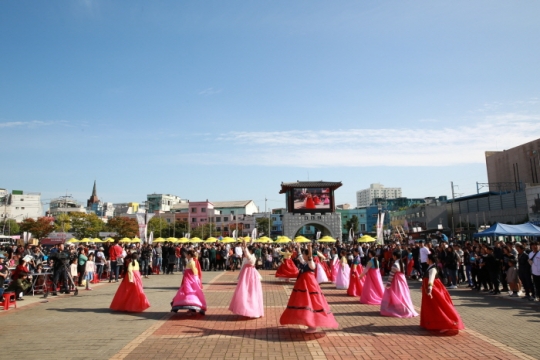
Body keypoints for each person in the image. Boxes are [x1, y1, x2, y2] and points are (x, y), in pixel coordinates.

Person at [280, 243, 339, 333]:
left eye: (304, 254)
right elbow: (299, 256)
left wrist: (309, 248)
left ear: (307, 255)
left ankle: (313, 325)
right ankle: (309, 323)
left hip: (310, 286)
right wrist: (299, 248)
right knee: (305, 303)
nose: (302, 255)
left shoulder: (312, 264)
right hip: (303, 286)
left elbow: (310, 257)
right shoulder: (304, 262)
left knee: (312, 303)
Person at [420, 253, 464, 333]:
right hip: (431, 289)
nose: (426, 260)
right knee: (433, 307)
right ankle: (434, 323)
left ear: (430, 260)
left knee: (440, 307)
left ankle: (447, 324)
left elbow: (431, 279)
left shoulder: (433, 269)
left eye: (427, 258)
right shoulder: (430, 267)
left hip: (435, 290)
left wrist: (429, 289)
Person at [229, 243, 264, 318]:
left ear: (250, 251)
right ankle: (249, 309)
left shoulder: (251, 257)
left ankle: (251, 310)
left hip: (249, 275)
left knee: (248, 291)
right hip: (248, 274)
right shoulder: (250, 257)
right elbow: (246, 255)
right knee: (249, 291)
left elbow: (247, 254)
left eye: (248, 250)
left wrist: (245, 247)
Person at [380, 250, 418, 318]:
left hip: (396, 283)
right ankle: (404, 308)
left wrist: (388, 284)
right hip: (402, 281)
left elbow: (391, 275)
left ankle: (399, 309)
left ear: (395, 256)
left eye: (393, 255)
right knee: (402, 295)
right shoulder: (401, 263)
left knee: (396, 295)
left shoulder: (395, 264)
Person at [171, 250, 207, 315]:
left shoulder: (192, 262)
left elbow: (195, 271)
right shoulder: (190, 261)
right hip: (188, 280)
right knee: (186, 292)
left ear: (189, 255)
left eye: (187, 254)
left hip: (190, 281)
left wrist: (196, 278)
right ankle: (188, 308)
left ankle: (192, 309)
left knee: (189, 293)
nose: (186, 256)